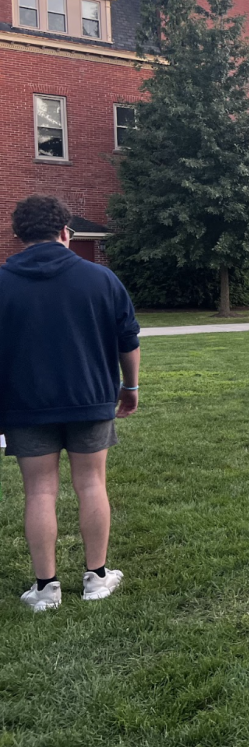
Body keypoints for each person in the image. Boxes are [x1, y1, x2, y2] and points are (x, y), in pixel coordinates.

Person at [0, 195, 140, 611]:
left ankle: (45, 588)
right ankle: (97, 577)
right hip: (91, 399)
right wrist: (129, 388)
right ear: (66, 232)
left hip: (25, 405)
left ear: (18, 236)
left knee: (39, 491)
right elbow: (128, 341)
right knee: (91, 483)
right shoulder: (101, 279)